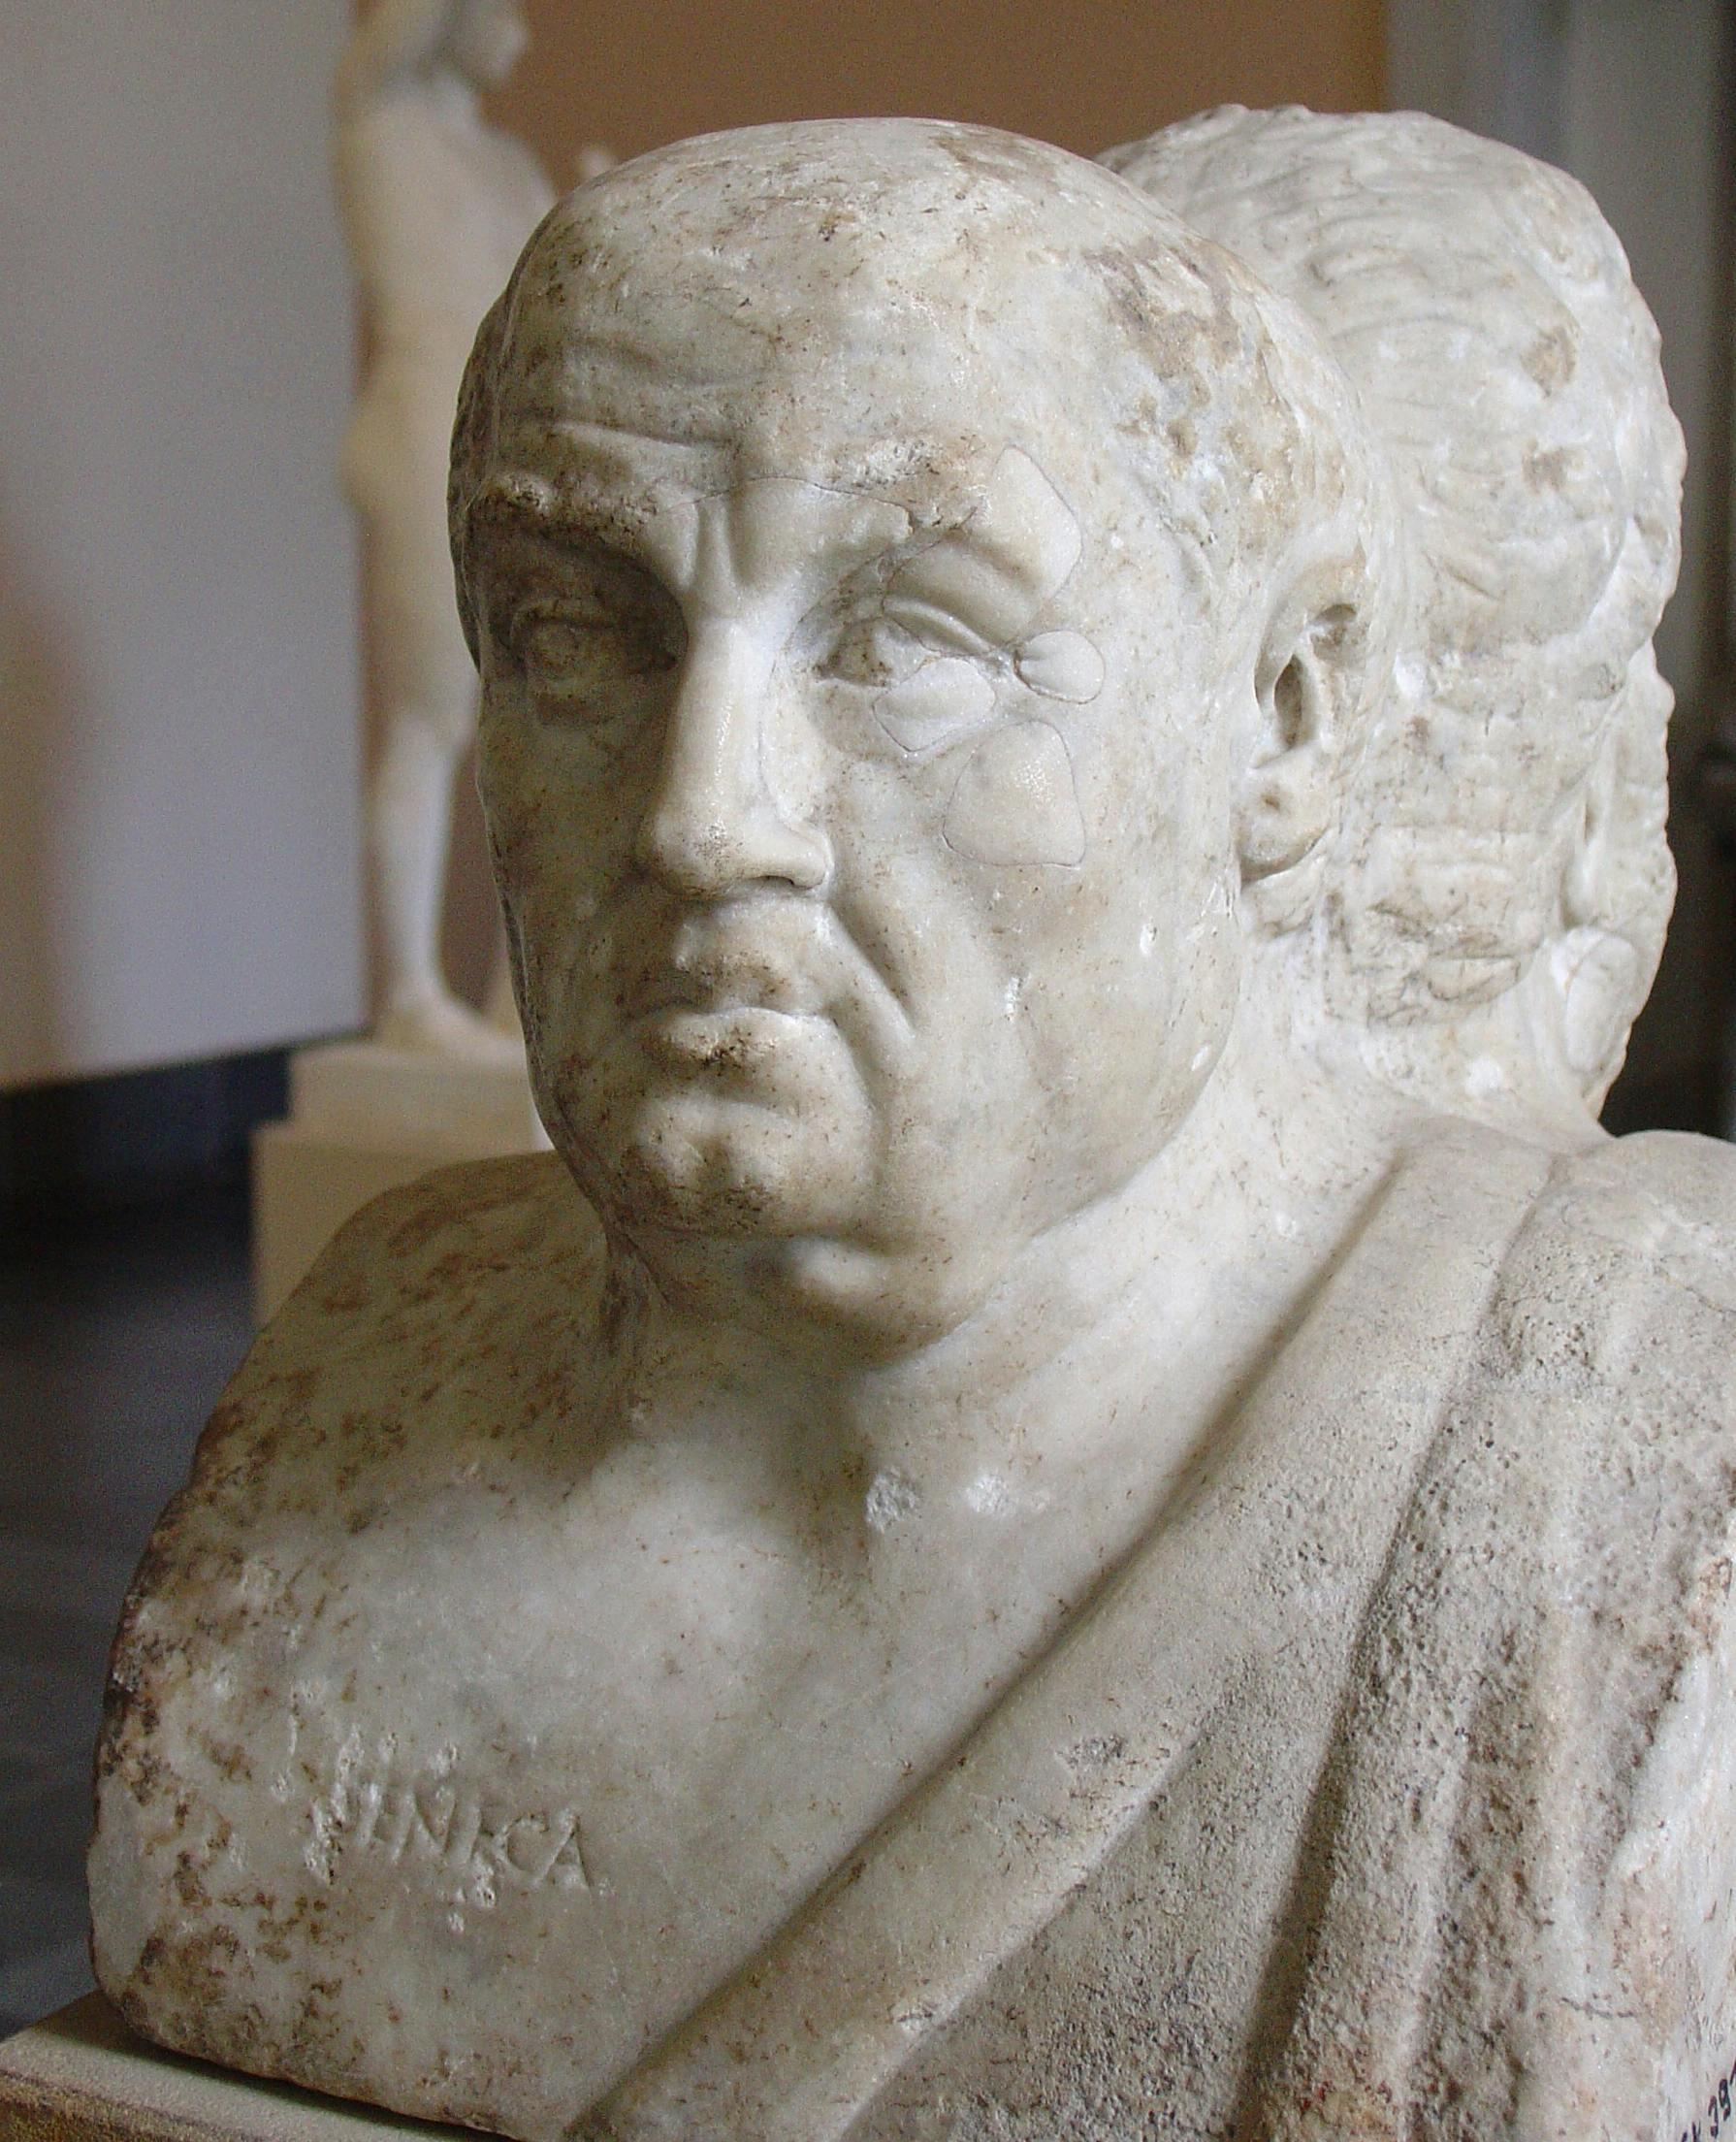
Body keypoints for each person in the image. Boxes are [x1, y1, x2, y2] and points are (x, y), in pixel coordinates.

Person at [92, 117, 1736, 2140]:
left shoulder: (1618, 1433)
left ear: (1283, 721)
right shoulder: (353, 1388)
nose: (710, 815)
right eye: (586, 631)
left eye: (905, 639)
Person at [335, 0, 554, 1056]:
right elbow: (387, 48)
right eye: (500, 8)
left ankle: (515, 998)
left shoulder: (508, 161)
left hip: (505, 423)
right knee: (432, 718)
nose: (518, 32)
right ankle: (413, 993)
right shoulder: (383, 120)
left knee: (531, 709)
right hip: (424, 419)